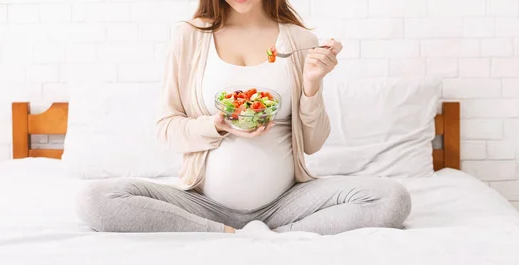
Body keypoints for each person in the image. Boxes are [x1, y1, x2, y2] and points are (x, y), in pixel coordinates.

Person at [75, 0, 412, 236]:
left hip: (286, 203)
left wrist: (312, 84)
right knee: (95, 200)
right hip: (204, 205)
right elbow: (167, 129)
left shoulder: (299, 41)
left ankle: (278, 234)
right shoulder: (190, 37)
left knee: (392, 199)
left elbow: (313, 143)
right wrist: (217, 124)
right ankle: (225, 233)